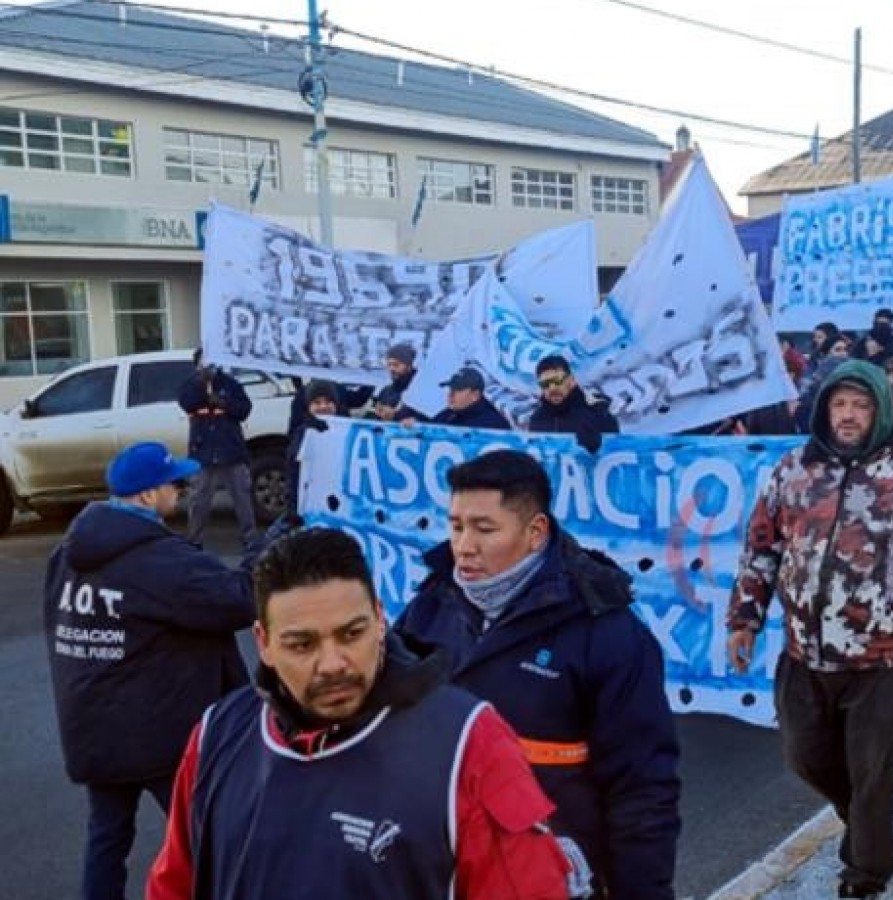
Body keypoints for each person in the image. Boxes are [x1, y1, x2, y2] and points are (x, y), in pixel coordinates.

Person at [146, 527, 577, 900]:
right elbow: (174, 884)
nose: (333, 663)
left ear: (379, 618)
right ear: (264, 644)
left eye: (351, 634)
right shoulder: (218, 734)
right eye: (302, 644)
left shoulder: (467, 743)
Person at [727, 360, 893, 899]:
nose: (849, 415)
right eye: (839, 404)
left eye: (861, 405)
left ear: (878, 410)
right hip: (805, 655)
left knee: (874, 776)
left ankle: (865, 876)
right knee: (803, 757)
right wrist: (745, 618)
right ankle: (865, 828)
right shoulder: (793, 470)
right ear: (826, 408)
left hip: (886, 661)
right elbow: (762, 547)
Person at [396, 451, 680, 899]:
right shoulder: (431, 605)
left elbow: (643, 787)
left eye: (484, 529)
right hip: (443, 865)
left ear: (535, 533)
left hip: (550, 876)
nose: (464, 546)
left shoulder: (607, 632)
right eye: (455, 526)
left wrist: (642, 891)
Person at [46, 442, 257, 900]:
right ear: (145, 496)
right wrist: (264, 551)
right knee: (208, 839)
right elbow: (238, 600)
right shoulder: (160, 560)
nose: (182, 490)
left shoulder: (65, 555)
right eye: (174, 483)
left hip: (93, 730)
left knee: (106, 841)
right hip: (161, 739)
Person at [178, 349, 258, 550]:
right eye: (202, 364)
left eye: (211, 364)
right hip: (203, 451)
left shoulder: (230, 384)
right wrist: (201, 384)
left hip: (231, 450)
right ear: (196, 365)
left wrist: (224, 402)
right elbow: (186, 403)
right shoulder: (191, 384)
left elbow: (245, 409)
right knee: (198, 501)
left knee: (242, 499)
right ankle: (195, 542)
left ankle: (250, 541)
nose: (207, 368)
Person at [524, 355, 621, 453]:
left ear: (572, 381)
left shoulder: (598, 413)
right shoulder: (537, 419)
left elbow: (616, 457)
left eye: (557, 381)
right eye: (545, 384)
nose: (552, 388)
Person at [284, 379, 344, 521]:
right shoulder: (303, 433)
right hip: (312, 506)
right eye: (317, 403)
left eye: (329, 402)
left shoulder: (347, 432)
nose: (323, 407)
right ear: (309, 406)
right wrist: (294, 508)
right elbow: (293, 473)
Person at [424, 367, 514, 431]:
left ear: (475, 395)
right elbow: (425, 432)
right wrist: (413, 426)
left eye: (458, 389)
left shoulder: (494, 424)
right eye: (451, 388)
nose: (451, 394)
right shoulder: (446, 415)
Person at [373, 342, 421, 422]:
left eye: (396, 365)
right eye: (389, 365)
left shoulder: (420, 391)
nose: (391, 369)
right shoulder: (385, 391)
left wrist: (395, 416)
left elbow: (427, 420)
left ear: (409, 366)